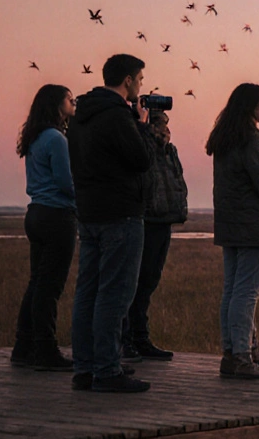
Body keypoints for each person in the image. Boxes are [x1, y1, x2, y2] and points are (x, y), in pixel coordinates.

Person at [67, 54, 153, 393]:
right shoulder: (118, 116)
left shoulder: (80, 116)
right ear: (129, 80)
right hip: (121, 213)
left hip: (89, 212)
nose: (141, 86)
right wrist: (142, 128)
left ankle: (85, 368)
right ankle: (106, 370)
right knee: (115, 294)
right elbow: (141, 160)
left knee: (86, 292)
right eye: (141, 79)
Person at [207, 83, 259, 380]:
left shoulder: (227, 138)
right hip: (253, 226)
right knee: (246, 293)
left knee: (232, 290)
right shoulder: (251, 139)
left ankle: (236, 352)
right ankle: (242, 356)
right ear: (250, 106)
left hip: (231, 225)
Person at [11, 84, 78, 372]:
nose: (74, 103)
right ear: (56, 104)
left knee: (36, 283)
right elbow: (66, 183)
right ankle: (46, 350)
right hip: (57, 216)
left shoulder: (36, 137)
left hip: (36, 213)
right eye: (70, 99)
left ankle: (24, 347)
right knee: (49, 287)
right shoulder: (56, 139)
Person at [121, 109, 187, 363]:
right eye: (158, 123)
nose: (164, 129)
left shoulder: (169, 150)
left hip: (165, 218)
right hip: (146, 218)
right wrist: (144, 133)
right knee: (136, 281)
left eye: (165, 124)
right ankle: (126, 339)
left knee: (149, 281)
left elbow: (176, 180)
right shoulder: (142, 145)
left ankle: (140, 337)